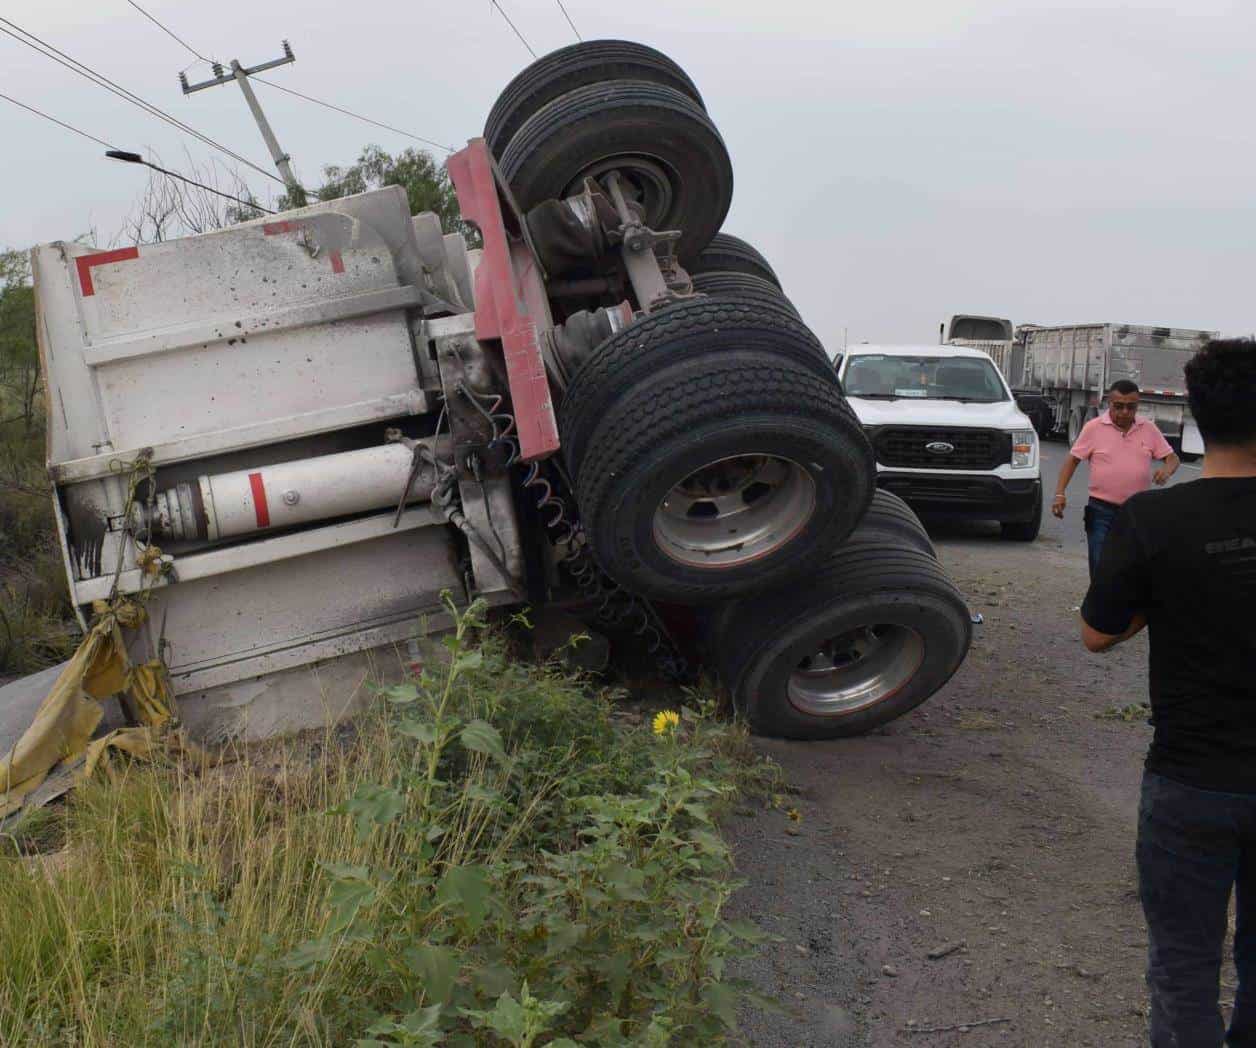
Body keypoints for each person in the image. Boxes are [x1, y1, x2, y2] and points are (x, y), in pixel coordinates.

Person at [1079, 339, 1256, 1046]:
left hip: (1191, 780)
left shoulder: (1154, 520)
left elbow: (1097, 634)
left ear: (1193, 418)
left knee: (1184, 968)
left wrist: (1160, 599)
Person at [1052, 380, 1180, 576]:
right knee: (1100, 564)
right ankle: (1099, 605)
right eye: (1118, 406)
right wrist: (1060, 494)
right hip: (1101, 510)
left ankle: (1125, 605)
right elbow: (1072, 461)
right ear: (1108, 403)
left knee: (1133, 567)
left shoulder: (1148, 429)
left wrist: (1167, 470)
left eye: (1131, 407)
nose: (1125, 412)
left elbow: (1172, 458)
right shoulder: (1093, 428)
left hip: (1137, 511)